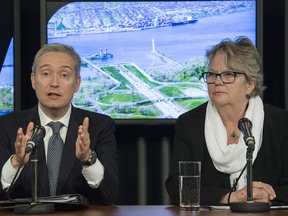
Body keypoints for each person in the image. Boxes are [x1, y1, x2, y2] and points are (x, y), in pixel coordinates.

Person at [165, 36, 288, 206]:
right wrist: (232, 197)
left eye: (229, 75)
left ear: (250, 84)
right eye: (212, 74)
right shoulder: (190, 123)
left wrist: (268, 196)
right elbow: (176, 186)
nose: (217, 82)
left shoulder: (280, 123)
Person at [0, 43, 118, 205]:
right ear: (33, 80)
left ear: (77, 84)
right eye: (46, 73)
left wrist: (87, 159)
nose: (54, 83)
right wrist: (16, 162)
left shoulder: (99, 126)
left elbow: (110, 195)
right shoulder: (7, 126)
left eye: (64, 75)